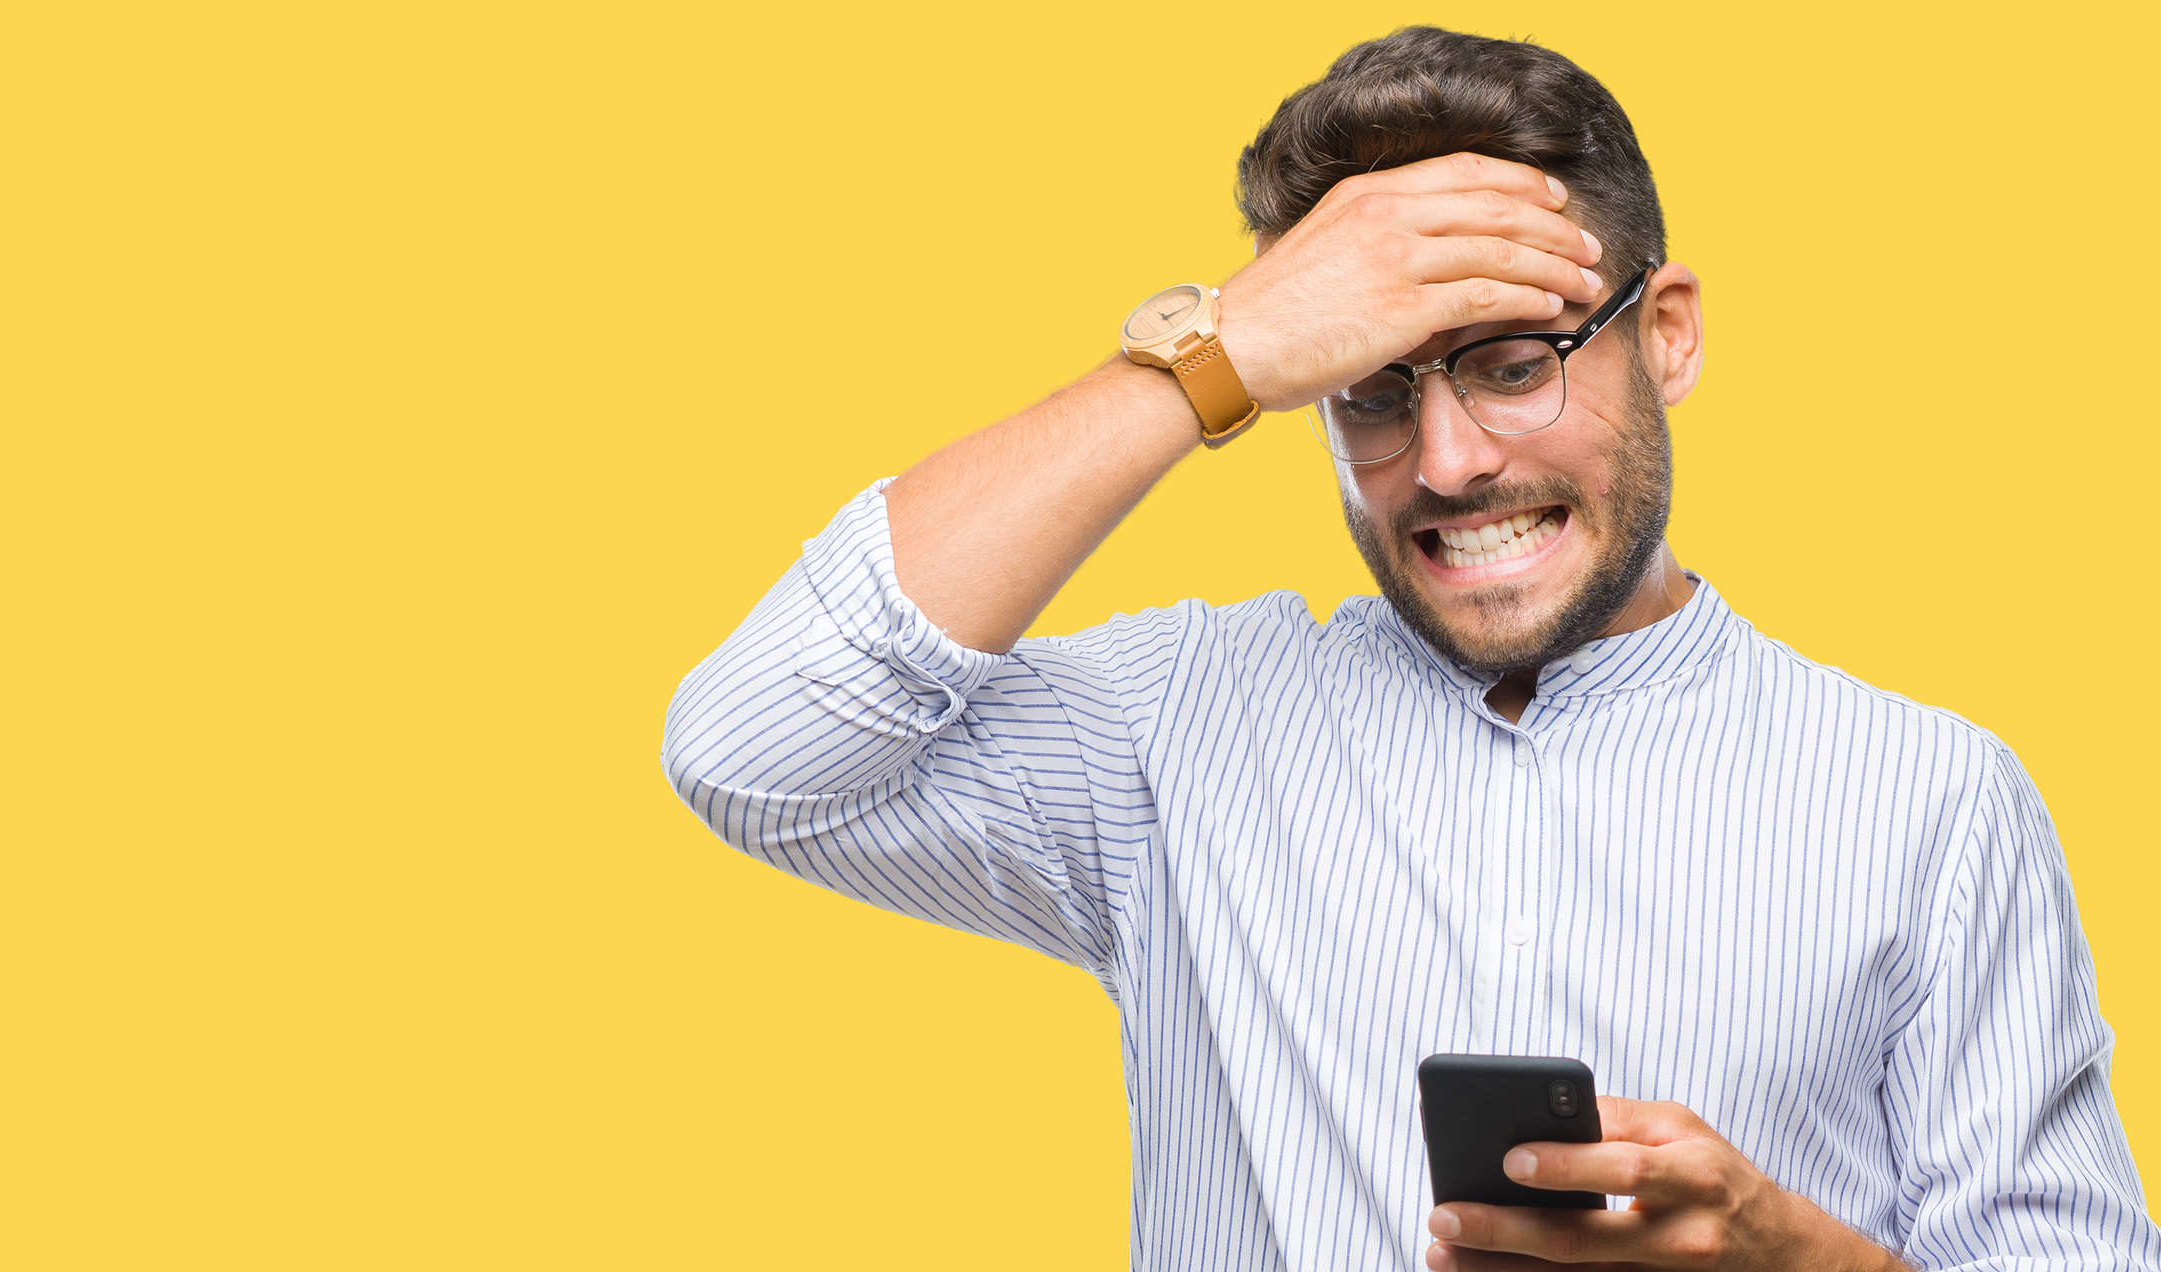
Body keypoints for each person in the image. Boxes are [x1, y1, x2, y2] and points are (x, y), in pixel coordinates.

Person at [663, 25, 2159, 1272]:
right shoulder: (1174, 735)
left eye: (1513, 365)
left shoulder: (1927, 798)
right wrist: (1213, 353)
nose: (1444, 461)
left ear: (1672, 335)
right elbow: (752, 754)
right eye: (1369, 391)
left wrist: (1794, 1253)